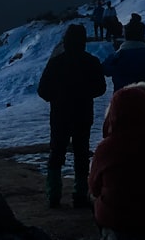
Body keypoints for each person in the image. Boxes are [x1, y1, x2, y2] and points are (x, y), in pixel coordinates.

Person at [89, 82, 145, 239]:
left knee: (92, 197)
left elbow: (95, 188)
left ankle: (105, 233)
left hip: (114, 218)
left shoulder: (105, 148)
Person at [36, 23, 107, 208]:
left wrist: (56, 98)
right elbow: (101, 88)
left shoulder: (56, 63)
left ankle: (53, 195)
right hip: (83, 114)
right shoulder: (91, 62)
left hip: (59, 114)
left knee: (57, 152)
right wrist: (85, 94)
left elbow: (42, 90)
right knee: (81, 154)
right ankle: (80, 194)